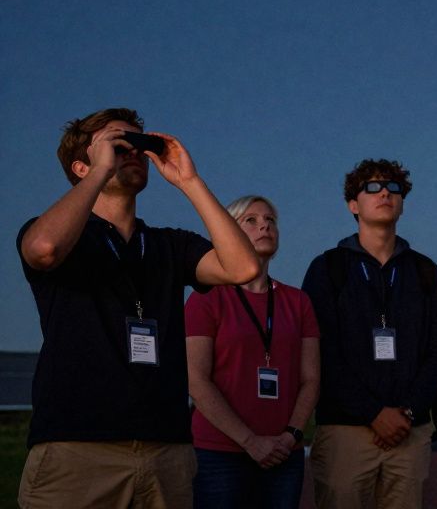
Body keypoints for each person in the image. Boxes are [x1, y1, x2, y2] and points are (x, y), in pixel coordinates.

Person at [16, 108, 261, 508]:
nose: (133, 152)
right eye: (119, 143)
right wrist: (101, 171)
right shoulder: (53, 231)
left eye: (139, 144)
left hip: (166, 450)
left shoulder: (170, 244)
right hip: (78, 448)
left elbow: (244, 268)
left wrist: (189, 181)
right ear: (81, 165)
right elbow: (44, 250)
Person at [301, 159, 437, 509]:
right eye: (372, 187)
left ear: (402, 203)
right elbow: (322, 352)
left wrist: (407, 412)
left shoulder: (426, 271)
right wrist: (373, 413)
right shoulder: (328, 268)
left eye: (393, 187)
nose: (384, 192)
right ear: (353, 205)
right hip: (345, 431)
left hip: (408, 432)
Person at [186, 195, 322, 508]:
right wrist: (249, 441)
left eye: (270, 220)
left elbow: (311, 379)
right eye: (251, 220)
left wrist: (291, 436)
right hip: (219, 454)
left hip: (283, 454)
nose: (265, 226)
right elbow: (196, 379)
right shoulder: (207, 297)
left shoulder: (298, 302)